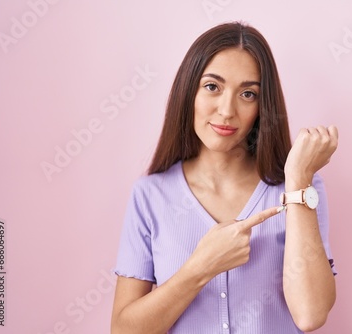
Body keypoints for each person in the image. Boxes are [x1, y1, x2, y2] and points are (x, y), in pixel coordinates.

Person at [111, 22, 338, 334]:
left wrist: (298, 179)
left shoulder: (301, 191)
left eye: (247, 93)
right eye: (212, 87)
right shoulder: (150, 195)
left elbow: (311, 315)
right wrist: (200, 268)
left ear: (262, 106)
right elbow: (124, 330)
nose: (227, 110)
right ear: (188, 91)